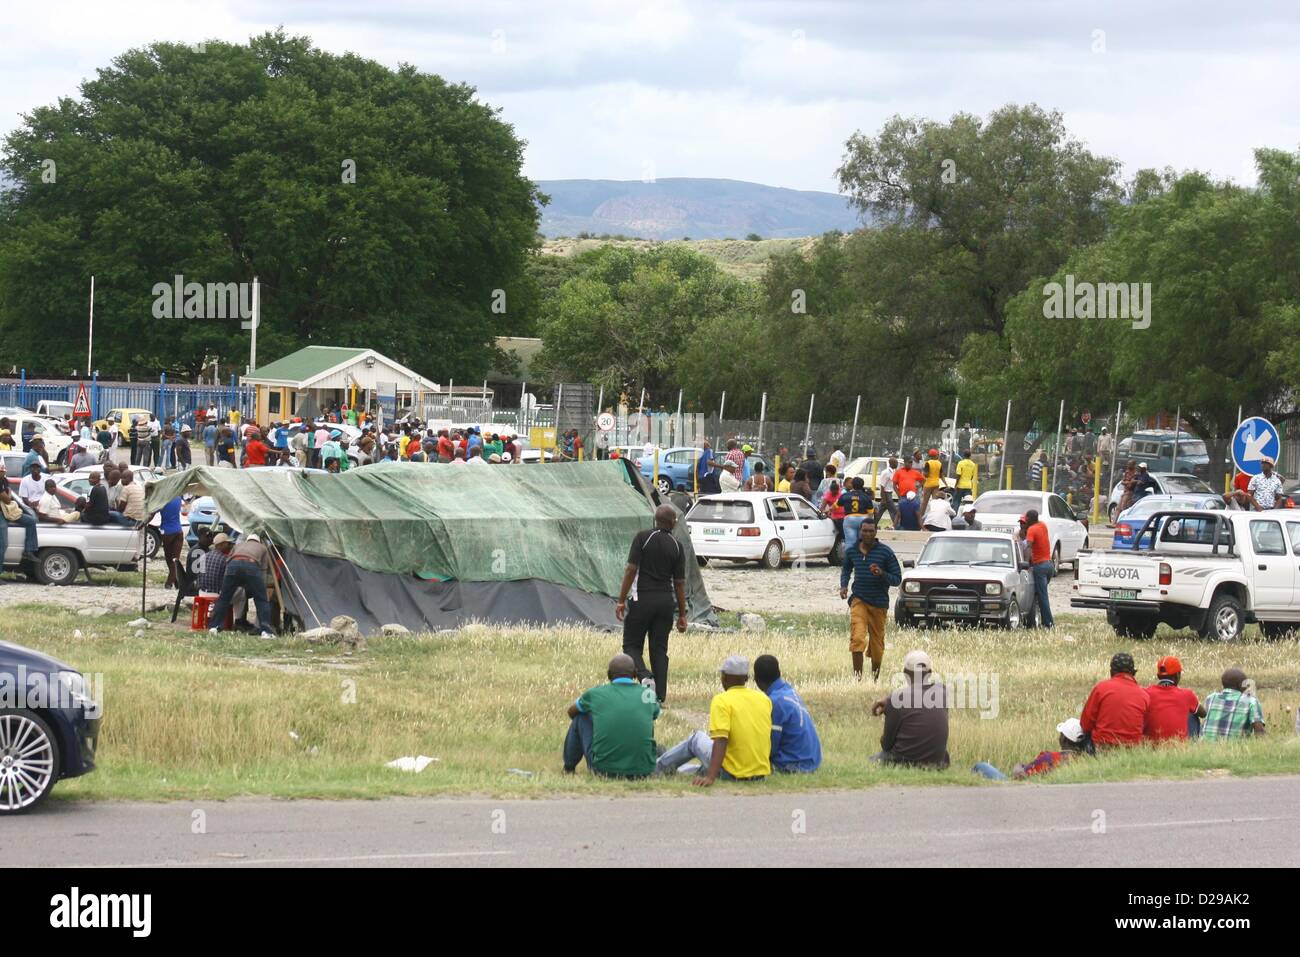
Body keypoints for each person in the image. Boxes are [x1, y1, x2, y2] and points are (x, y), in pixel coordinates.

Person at [655, 656, 772, 785]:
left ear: (725, 678)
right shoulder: (764, 699)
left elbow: (721, 740)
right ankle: (670, 763)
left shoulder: (722, 700)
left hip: (731, 773)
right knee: (702, 767)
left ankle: (657, 767)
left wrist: (711, 777)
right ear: (746, 678)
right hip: (759, 774)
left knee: (696, 739)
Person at [615, 504, 688, 702]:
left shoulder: (642, 537)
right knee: (659, 649)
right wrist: (682, 614)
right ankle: (659, 696)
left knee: (631, 645)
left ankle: (645, 677)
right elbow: (679, 583)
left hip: (642, 600)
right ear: (673, 523)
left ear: (655, 519)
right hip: (665, 602)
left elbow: (631, 569)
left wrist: (621, 600)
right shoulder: (677, 546)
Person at [563, 653, 661, 778]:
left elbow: (571, 711)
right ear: (635, 674)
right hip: (643, 770)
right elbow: (654, 715)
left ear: (609, 675)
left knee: (580, 717)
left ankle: (568, 768)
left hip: (603, 769)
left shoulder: (595, 694)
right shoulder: (648, 695)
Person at [840, 517, 901, 680]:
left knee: (877, 644)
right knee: (857, 638)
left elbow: (897, 579)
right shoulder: (852, 550)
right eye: (864, 531)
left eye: (871, 531)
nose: (867, 534)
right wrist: (844, 585)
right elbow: (846, 569)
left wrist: (882, 573)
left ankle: (874, 679)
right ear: (860, 532)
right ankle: (857, 678)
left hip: (879, 603)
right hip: (859, 599)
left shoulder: (885, 552)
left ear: (875, 533)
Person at [870, 650, 950, 768]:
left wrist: (890, 706)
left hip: (905, 762)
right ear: (930, 672)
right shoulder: (943, 692)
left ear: (905, 672)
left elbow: (886, 745)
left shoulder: (897, 699)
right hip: (938, 763)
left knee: (873, 760)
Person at [754, 654, 821, 773]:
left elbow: (770, 746)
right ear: (779, 672)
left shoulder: (774, 702)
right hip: (812, 761)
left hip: (795, 765)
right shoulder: (789, 691)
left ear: (757, 680)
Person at [973, 717, 1090, 780]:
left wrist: (1018, 766)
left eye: (1061, 735)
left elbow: (1019, 776)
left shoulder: (1048, 758)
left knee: (981, 766)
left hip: (1016, 789)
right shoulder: (1085, 761)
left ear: (1064, 739)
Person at [208, 534, 276, 639]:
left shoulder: (238, 545)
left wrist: (227, 583)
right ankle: (266, 631)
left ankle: (214, 627)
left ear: (247, 539)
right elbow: (263, 570)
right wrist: (261, 587)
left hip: (232, 565)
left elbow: (228, 561)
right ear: (258, 541)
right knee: (261, 600)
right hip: (251, 565)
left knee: (224, 598)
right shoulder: (263, 548)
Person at [1080, 652, 1150, 747]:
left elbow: (1085, 724)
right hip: (1133, 750)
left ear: (1112, 671)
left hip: (1102, 746)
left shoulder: (1101, 688)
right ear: (1133, 673)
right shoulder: (1144, 695)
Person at [1144, 655, 1206, 741]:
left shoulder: (1145, 693)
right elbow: (1203, 714)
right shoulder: (1187, 694)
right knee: (1192, 714)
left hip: (1149, 745)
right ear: (1177, 675)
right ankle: (1192, 744)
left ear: (1158, 676)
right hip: (1178, 747)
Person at [1201, 668, 1266, 740]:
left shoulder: (1211, 698)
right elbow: (1259, 731)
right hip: (1235, 748)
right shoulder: (1251, 701)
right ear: (1240, 685)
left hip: (1206, 746)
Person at [1022, 509, 1053, 628]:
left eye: (1026, 519)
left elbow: (1029, 546)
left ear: (1030, 519)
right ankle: (1033, 619)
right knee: (1037, 593)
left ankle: (1048, 624)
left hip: (1040, 566)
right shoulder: (1043, 525)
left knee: (1042, 596)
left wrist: (1025, 563)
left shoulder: (1032, 529)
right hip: (1049, 565)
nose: (1025, 521)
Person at [0, 483, 39, 562]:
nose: (4, 471)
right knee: (3, 545)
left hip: (8, 512)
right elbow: (7, 500)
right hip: (2, 513)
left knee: (31, 521)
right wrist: (9, 492)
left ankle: (28, 551)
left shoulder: (4, 480)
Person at [839, 476, 875, 551]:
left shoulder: (846, 495)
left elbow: (836, 505)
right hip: (863, 520)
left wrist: (829, 510)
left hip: (849, 519)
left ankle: (848, 560)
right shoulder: (866, 497)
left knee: (849, 542)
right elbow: (871, 513)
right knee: (862, 541)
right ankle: (861, 558)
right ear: (862, 485)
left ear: (852, 485)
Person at [159, 495, 185, 588]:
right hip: (178, 530)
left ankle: (169, 582)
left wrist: (142, 524)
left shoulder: (162, 499)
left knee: (169, 558)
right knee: (175, 559)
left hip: (167, 531)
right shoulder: (178, 498)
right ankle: (176, 580)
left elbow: (151, 513)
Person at [920, 448, 944, 514]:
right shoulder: (939, 463)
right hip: (936, 484)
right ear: (936, 455)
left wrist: (923, 471)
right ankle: (934, 515)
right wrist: (946, 484)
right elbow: (941, 475)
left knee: (924, 502)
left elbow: (926, 475)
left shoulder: (928, 463)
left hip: (928, 485)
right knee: (934, 503)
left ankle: (920, 517)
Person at [876, 456, 898, 525]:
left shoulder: (893, 472)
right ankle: (896, 526)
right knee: (894, 511)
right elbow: (882, 486)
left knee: (880, 512)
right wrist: (884, 499)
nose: (897, 464)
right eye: (895, 462)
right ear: (891, 463)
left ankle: (874, 524)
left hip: (889, 494)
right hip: (886, 495)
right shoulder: (886, 472)